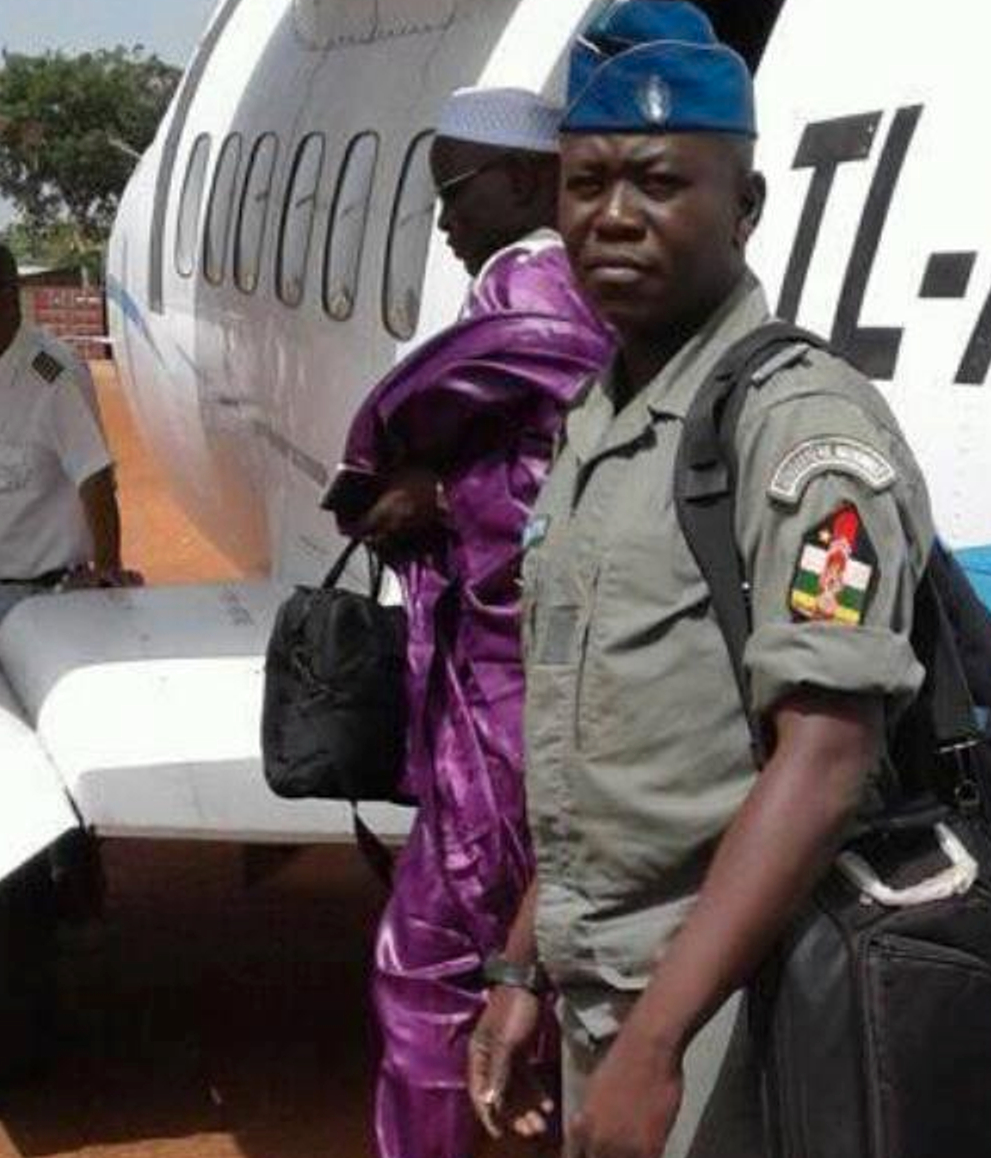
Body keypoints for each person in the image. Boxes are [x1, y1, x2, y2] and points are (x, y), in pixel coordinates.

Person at [468, 6, 937, 1156]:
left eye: (660, 182)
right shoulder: (602, 418)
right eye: (586, 184)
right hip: (608, 998)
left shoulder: (798, 428)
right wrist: (526, 961)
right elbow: (593, 742)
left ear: (745, 205)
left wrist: (654, 1043)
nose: (614, 217)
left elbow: (825, 758)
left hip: (729, 1018)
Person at [329, 85, 613, 1158]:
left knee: (426, 966)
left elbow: (534, 500)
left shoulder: (528, 291)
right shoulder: (603, 290)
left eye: (455, 190)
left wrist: (423, 492)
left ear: (528, 180)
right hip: (559, 696)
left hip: (502, 705)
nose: (444, 217)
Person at [0, 237, 134, 642]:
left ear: (8, 298)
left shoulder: (52, 377)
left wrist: (108, 574)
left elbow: (96, 478)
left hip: (32, 605)